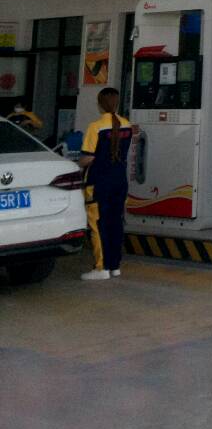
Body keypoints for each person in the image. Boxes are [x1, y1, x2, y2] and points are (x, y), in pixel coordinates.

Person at [79, 86, 134, 283]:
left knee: (98, 224)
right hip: (120, 181)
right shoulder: (127, 125)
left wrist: (77, 164)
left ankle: (101, 267)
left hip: (99, 182)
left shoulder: (95, 127)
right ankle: (115, 266)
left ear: (100, 105)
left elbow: (88, 157)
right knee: (116, 222)